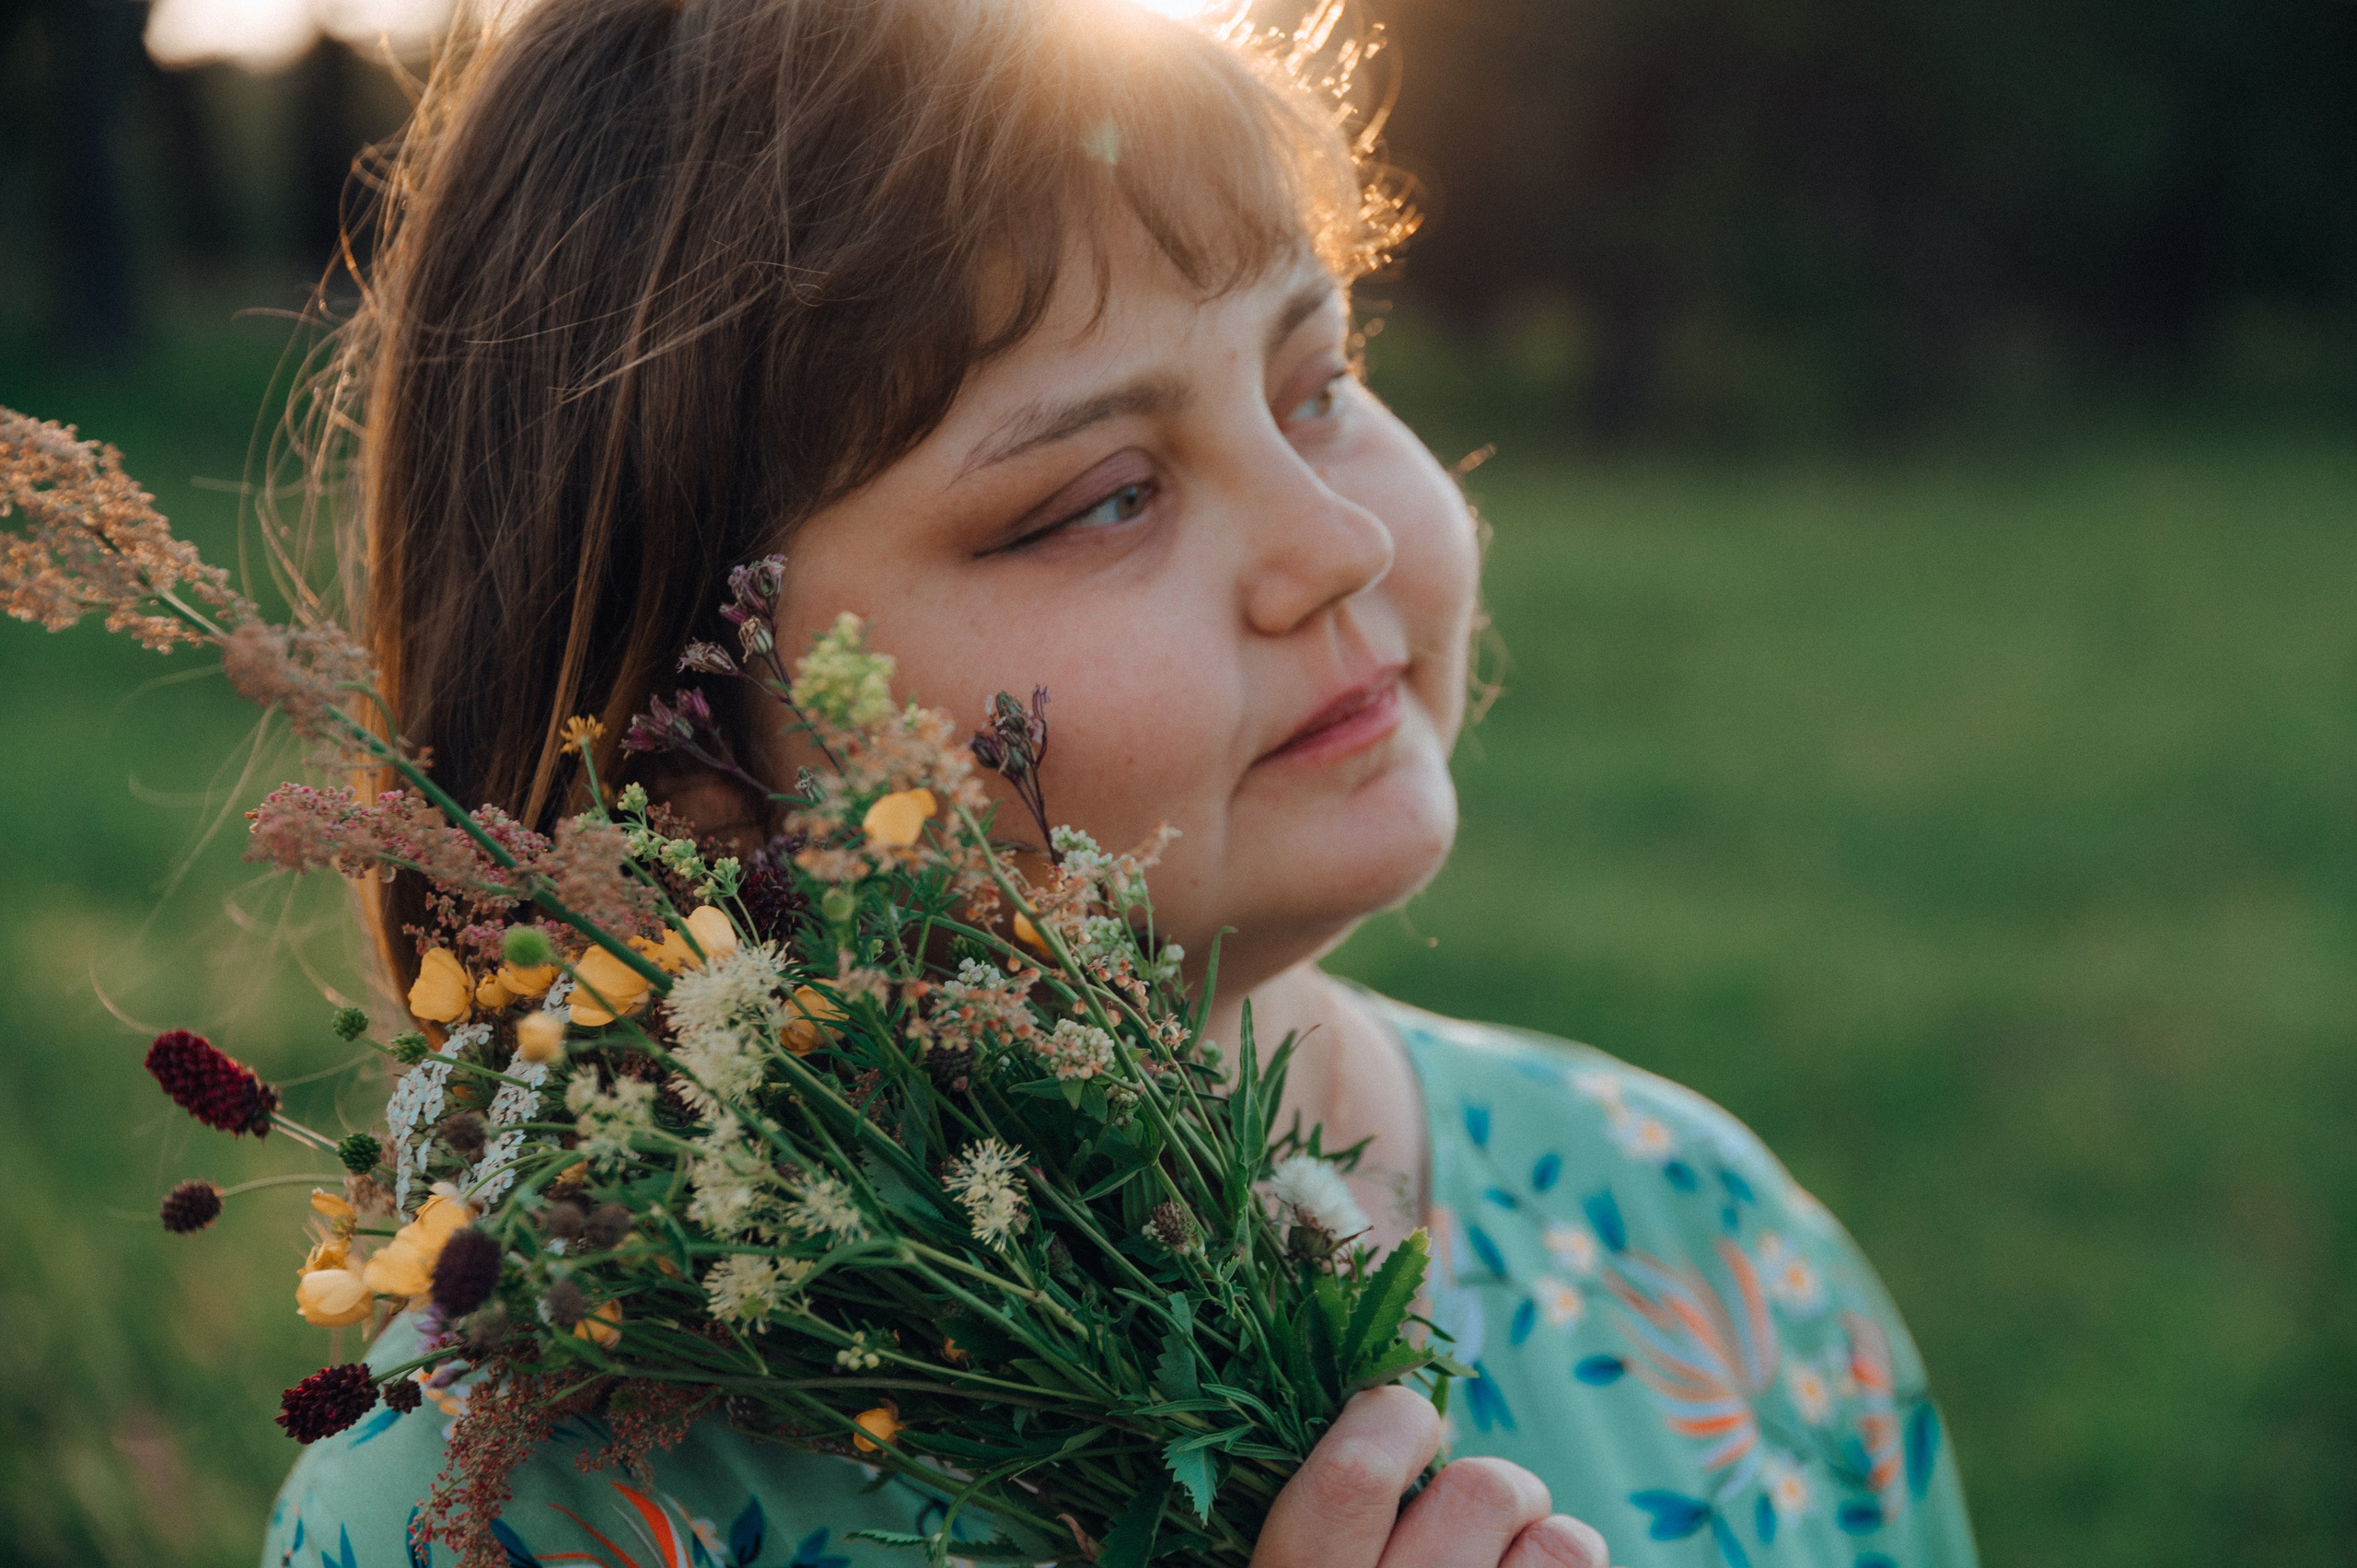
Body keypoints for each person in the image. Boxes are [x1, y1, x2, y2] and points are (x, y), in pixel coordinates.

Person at [261, 2, 1979, 1565]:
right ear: (683, 759)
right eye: (1102, 498)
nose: (1342, 539)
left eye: (1319, 387)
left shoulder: (1698, 1243)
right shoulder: (511, 1504)